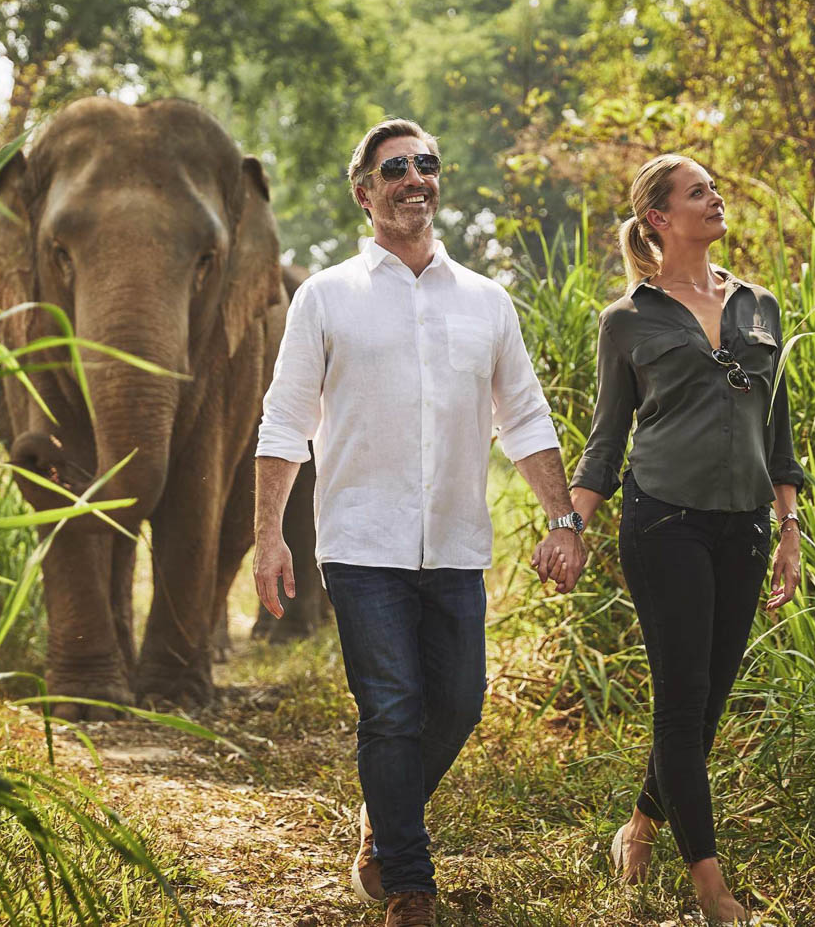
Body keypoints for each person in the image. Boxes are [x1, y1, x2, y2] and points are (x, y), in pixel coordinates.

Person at [251, 120, 588, 927]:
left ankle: (383, 812)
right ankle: (409, 882)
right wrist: (269, 535)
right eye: (394, 167)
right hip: (362, 544)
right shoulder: (326, 296)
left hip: (456, 544)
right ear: (364, 190)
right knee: (393, 706)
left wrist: (564, 517)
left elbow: (526, 417)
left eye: (426, 163)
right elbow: (282, 421)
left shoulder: (486, 300)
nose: (414, 177)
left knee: (462, 701)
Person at [566, 152, 805, 922]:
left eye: (715, 187)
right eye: (698, 191)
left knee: (707, 707)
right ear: (660, 218)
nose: (716, 197)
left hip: (744, 528)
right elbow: (606, 441)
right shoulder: (629, 318)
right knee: (680, 701)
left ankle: (639, 824)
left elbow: (780, 433)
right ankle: (712, 887)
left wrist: (790, 529)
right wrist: (572, 528)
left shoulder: (760, 305)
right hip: (662, 520)